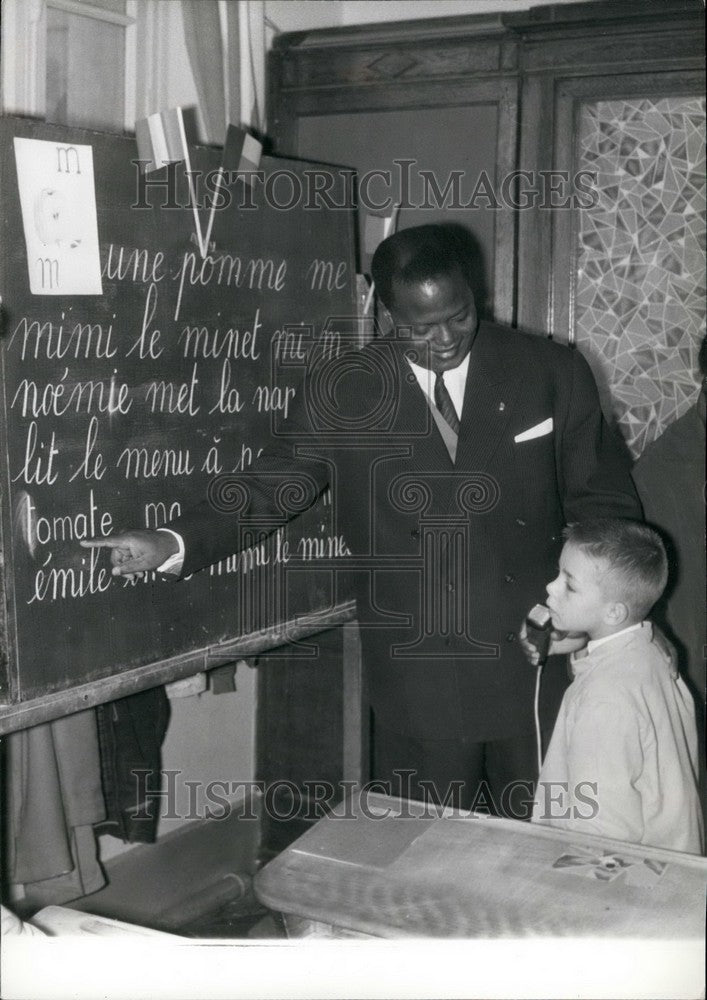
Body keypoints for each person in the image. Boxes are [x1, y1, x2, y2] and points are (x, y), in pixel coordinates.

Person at [83, 224, 641, 814]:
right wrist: (174, 541)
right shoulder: (343, 391)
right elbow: (273, 485)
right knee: (429, 854)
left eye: (460, 316)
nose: (446, 339)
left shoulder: (550, 370)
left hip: (536, 653)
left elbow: (604, 506)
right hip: (420, 669)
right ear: (382, 312)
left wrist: (590, 618)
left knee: (543, 844)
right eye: (419, 328)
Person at [529, 518, 702, 854]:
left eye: (570, 585)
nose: (551, 588)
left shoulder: (604, 699)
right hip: (670, 860)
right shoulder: (652, 653)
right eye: (558, 574)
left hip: (611, 878)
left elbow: (600, 831)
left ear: (613, 612)